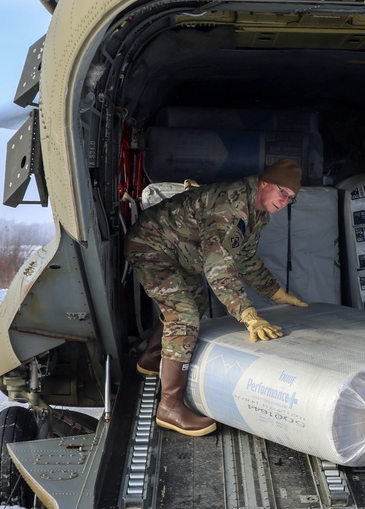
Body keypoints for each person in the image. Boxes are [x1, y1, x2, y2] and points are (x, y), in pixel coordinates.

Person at [125, 158, 308, 436]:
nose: (284, 202)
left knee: (196, 303)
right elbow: (218, 266)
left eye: (291, 198)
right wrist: (247, 315)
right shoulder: (231, 207)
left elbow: (244, 258)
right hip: (151, 246)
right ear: (264, 184)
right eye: (282, 192)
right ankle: (169, 407)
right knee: (184, 314)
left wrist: (276, 292)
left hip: (177, 251)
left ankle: (152, 359)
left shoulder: (256, 211)